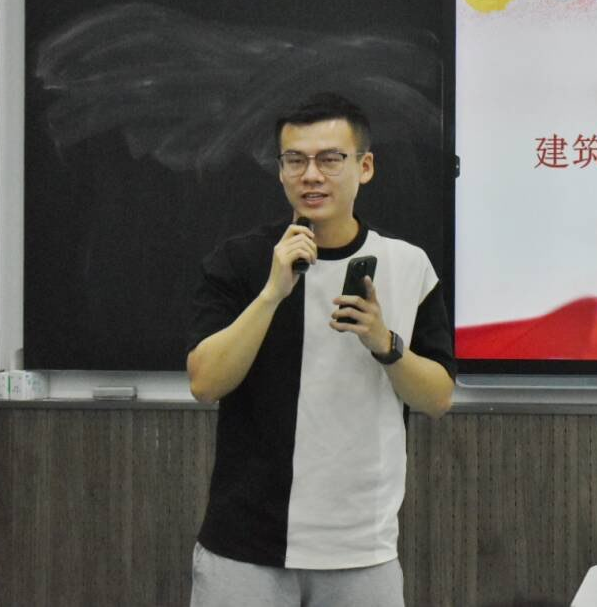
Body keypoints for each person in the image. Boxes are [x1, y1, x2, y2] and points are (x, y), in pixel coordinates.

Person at [186, 92, 455, 607]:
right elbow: (205, 383)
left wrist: (384, 342)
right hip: (246, 545)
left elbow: (438, 398)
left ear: (364, 167)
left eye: (330, 159)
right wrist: (272, 293)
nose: (312, 175)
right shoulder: (241, 261)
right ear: (280, 170)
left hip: (361, 548)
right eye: (295, 160)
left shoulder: (407, 264)